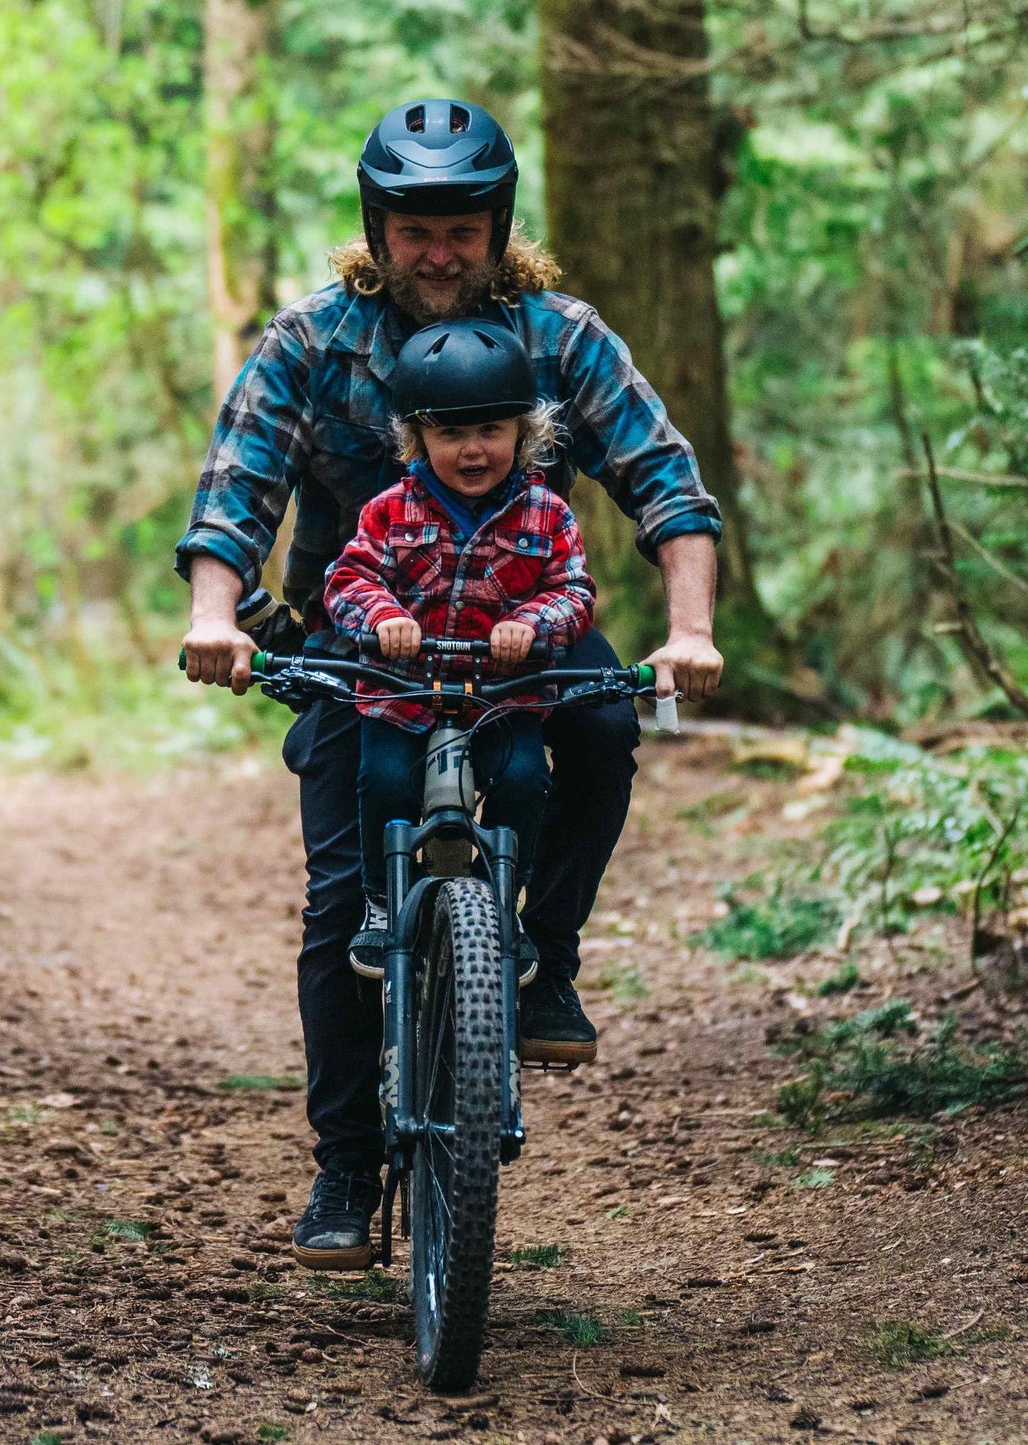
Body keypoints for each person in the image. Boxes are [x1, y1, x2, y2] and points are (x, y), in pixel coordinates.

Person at [177, 97, 724, 1270]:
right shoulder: (313, 340)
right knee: (339, 899)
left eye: (460, 229)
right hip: (362, 647)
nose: (436, 252)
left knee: (606, 730)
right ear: (376, 230)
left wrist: (688, 631)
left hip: (524, 637)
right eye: (413, 230)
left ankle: (543, 961)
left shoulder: (564, 336)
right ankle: (344, 1161)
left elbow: (666, 484)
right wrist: (215, 616)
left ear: (498, 225)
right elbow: (237, 488)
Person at [322, 318, 595, 980]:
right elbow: (348, 578)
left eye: (489, 431)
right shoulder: (389, 511)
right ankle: (383, 903)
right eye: (449, 433)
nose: (472, 450)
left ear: (523, 435)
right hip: (404, 696)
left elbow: (574, 592)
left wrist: (532, 624)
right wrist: (383, 615)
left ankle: (501, 905)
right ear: (416, 439)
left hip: (503, 698)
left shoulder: (547, 514)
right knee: (383, 779)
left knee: (525, 779)